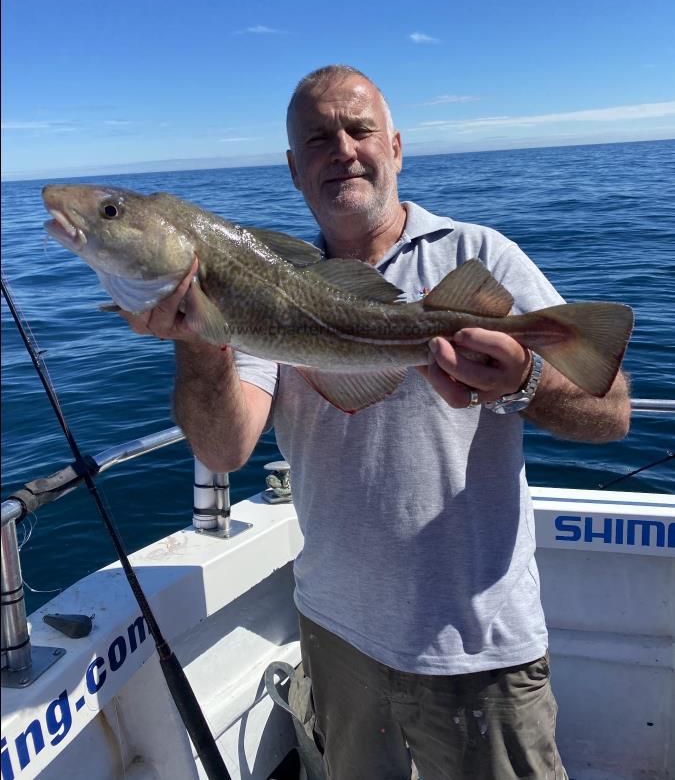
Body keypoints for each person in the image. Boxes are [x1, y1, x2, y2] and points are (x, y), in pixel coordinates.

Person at [122, 65, 630, 780]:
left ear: (395, 146)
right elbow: (223, 447)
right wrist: (199, 343)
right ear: (294, 169)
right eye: (318, 138)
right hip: (336, 636)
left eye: (359, 130)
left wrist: (523, 380)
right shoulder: (267, 285)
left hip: (478, 644)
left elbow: (611, 416)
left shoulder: (478, 256)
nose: (342, 149)